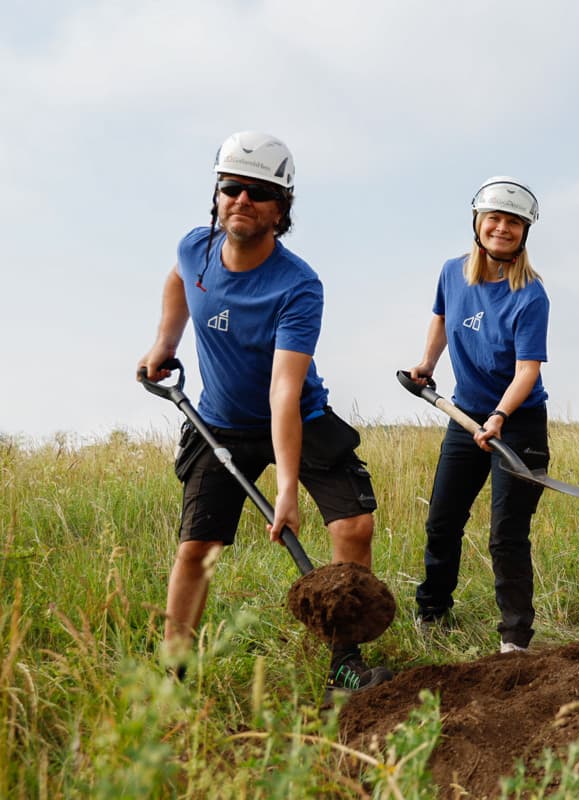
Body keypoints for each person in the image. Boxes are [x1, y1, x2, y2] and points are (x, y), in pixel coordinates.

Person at [138, 131, 392, 698]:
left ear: (281, 209)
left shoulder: (298, 285)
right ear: (217, 194)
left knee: (354, 526)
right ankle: (173, 677)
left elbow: (284, 389)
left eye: (258, 192)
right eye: (231, 188)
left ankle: (344, 667)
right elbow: (179, 279)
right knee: (197, 550)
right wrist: (164, 343)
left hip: (298, 416)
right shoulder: (195, 248)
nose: (241, 200)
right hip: (218, 422)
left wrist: (285, 487)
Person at [406, 176, 551, 654]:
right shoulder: (452, 272)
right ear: (477, 222)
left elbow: (527, 370)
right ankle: (432, 612)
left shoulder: (530, 295)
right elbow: (443, 318)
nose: (502, 228)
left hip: (518, 423)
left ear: (525, 231)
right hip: (464, 415)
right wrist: (427, 364)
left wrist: (500, 416)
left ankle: (515, 639)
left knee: (506, 534)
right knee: (443, 521)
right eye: (495, 218)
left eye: (513, 222)